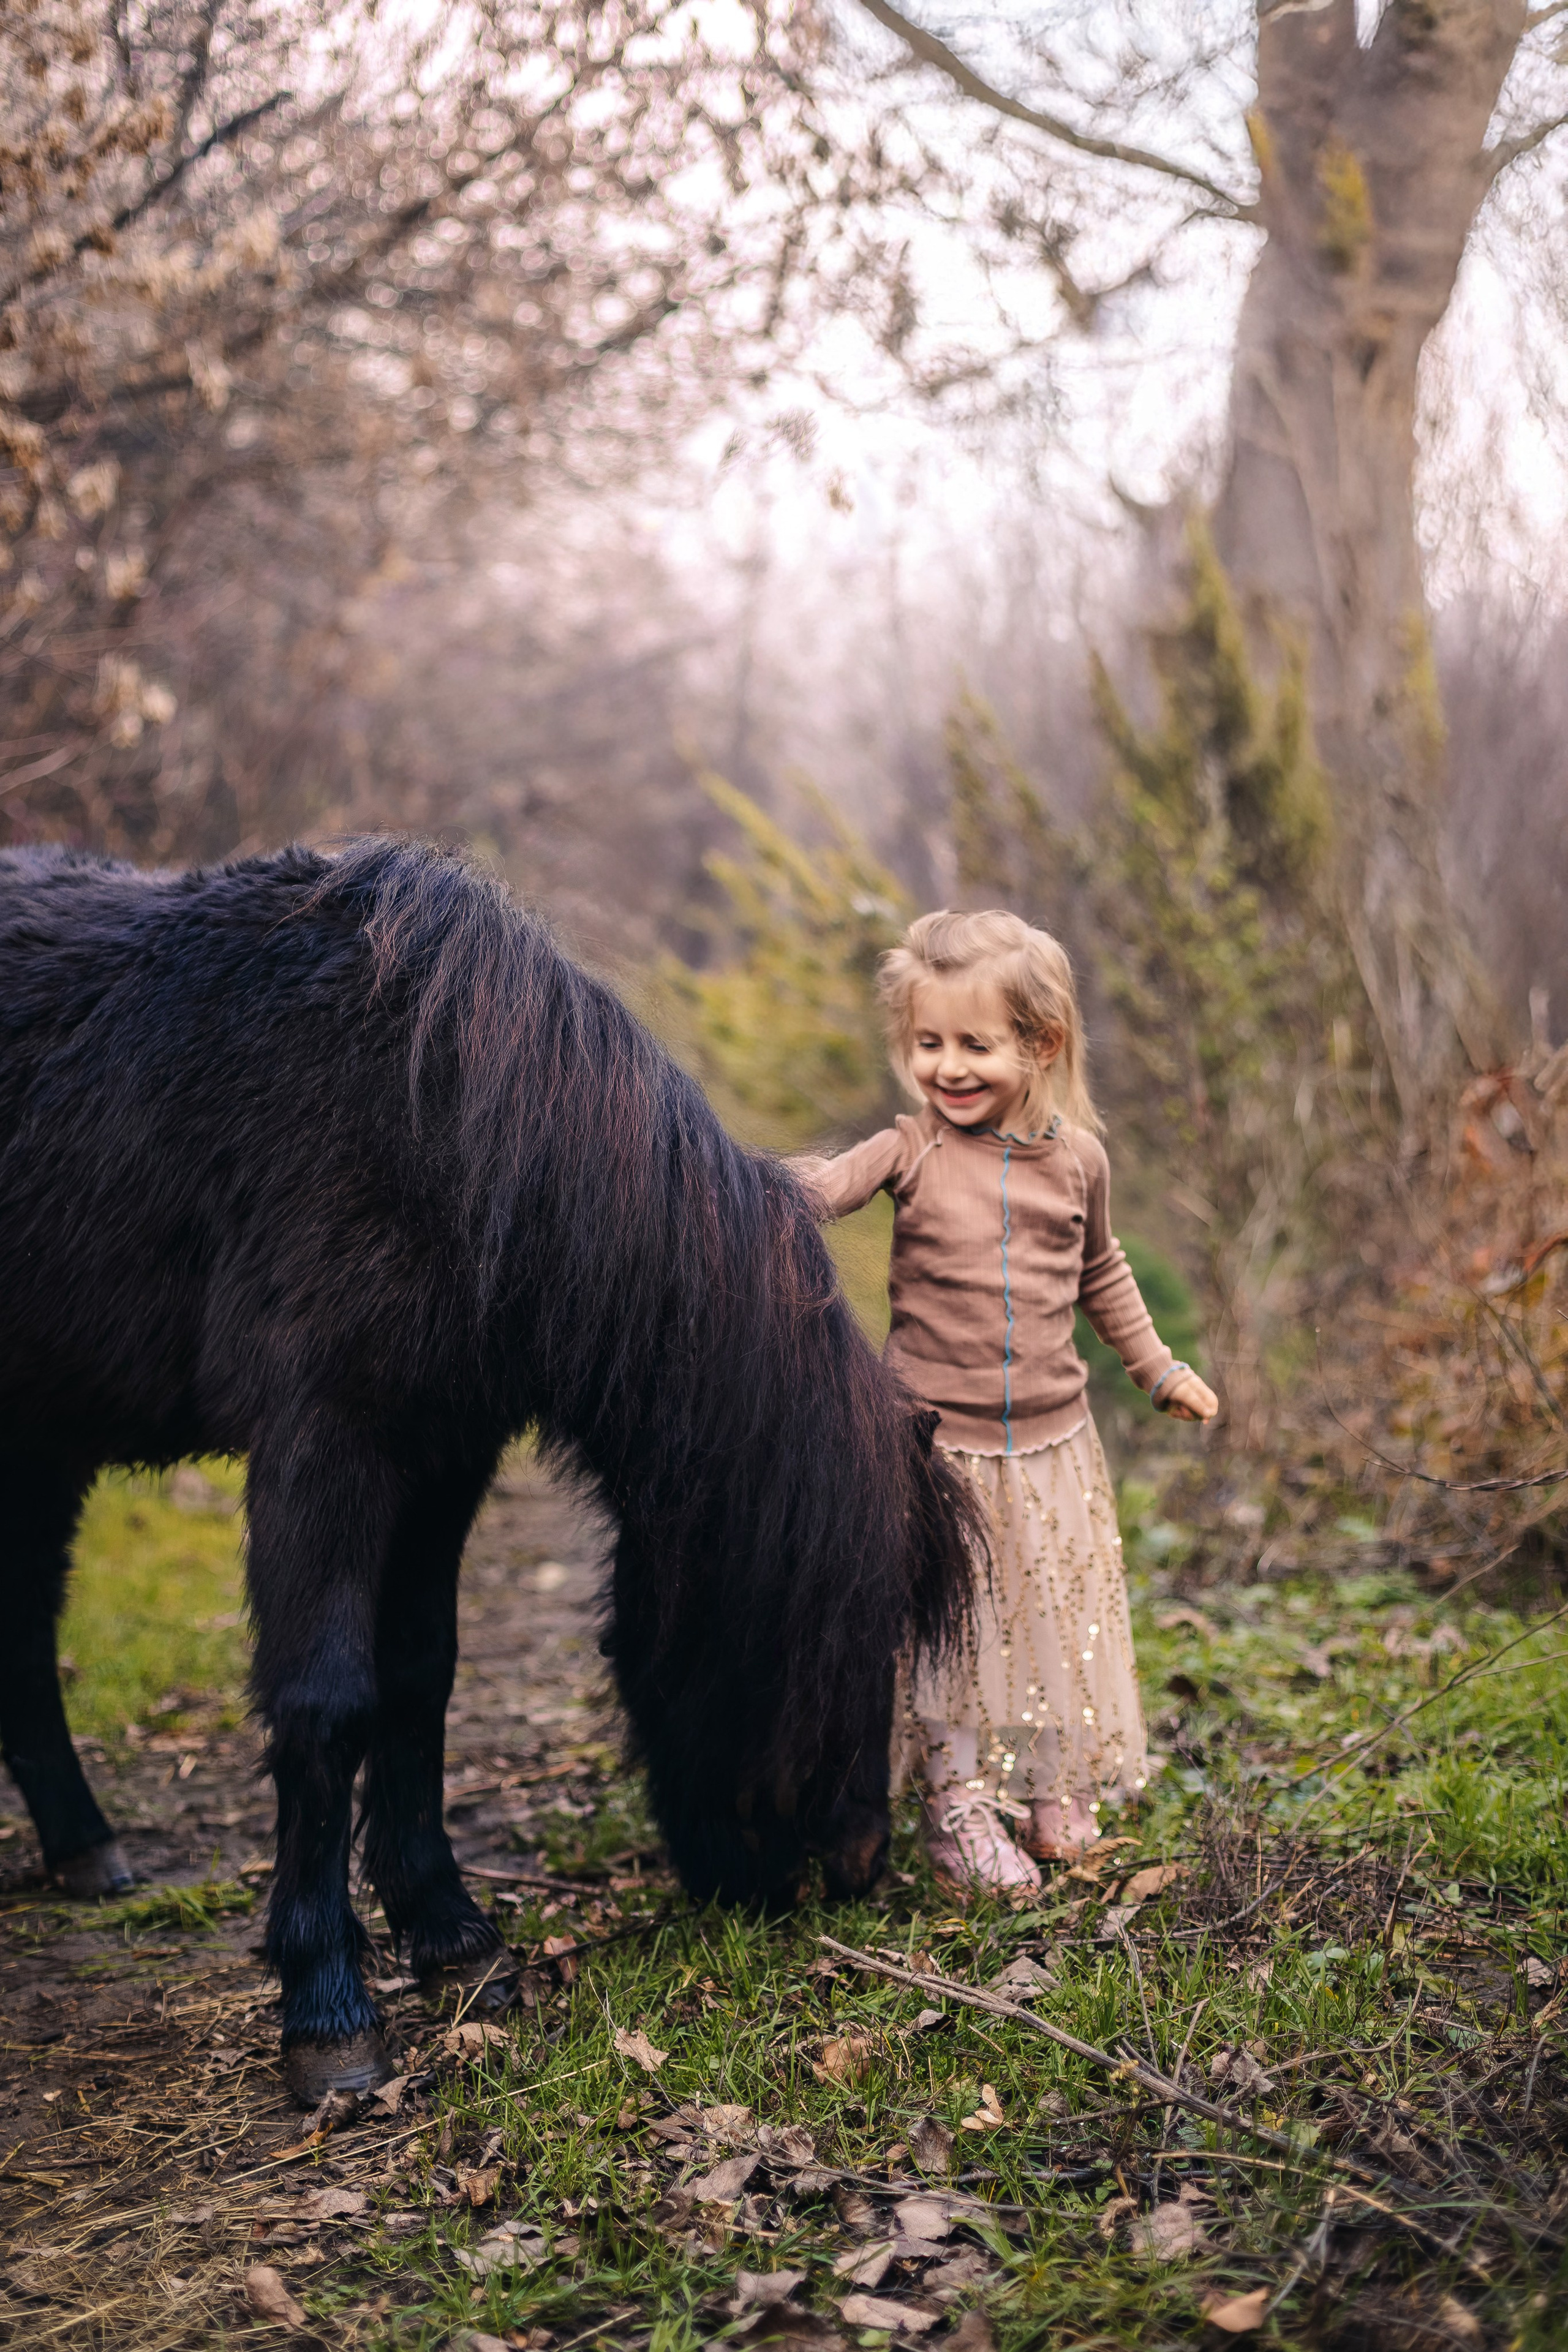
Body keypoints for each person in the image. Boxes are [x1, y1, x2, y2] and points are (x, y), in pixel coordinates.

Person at [794, 909, 1218, 1896]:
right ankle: (957, 1805)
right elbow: (819, 1189)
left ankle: (1049, 1781)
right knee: (958, 1624)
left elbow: (1101, 1272)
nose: (947, 1067)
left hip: (1056, 1442)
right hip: (937, 1447)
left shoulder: (1080, 1163)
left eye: (974, 1045)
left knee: (1051, 1609)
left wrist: (1158, 1369)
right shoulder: (911, 1150)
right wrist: (730, 1181)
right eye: (927, 1043)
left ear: (1040, 1045)